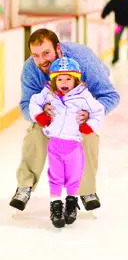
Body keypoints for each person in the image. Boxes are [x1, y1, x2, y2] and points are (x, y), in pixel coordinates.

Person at [9, 28, 120, 212]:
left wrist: (89, 115)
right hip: (52, 111)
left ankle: (87, 191)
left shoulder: (82, 58)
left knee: (87, 133)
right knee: (36, 131)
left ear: (58, 49)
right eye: (36, 55)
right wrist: (40, 112)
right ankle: (24, 186)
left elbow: (110, 96)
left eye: (46, 53)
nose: (41, 60)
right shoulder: (31, 69)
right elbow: (25, 106)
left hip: (83, 102)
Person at [29, 57, 105, 228]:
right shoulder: (48, 92)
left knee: (74, 178)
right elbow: (34, 102)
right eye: (60, 79)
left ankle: (71, 203)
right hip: (54, 145)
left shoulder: (83, 96)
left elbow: (99, 111)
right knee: (54, 177)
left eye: (68, 78)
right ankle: (55, 206)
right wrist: (40, 114)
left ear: (75, 79)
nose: (64, 82)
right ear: (54, 80)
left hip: (74, 146)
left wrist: (89, 125)